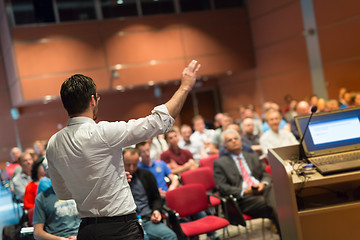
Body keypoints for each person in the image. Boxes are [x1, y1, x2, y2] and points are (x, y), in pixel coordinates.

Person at [46, 60, 200, 240]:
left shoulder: (53, 143)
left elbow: (63, 193)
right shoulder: (103, 132)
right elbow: (159, 122)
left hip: (87, 231)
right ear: (93, 100)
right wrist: (185, 87)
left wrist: (103, 183)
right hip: (120, 229)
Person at [213, 129, 281, 237]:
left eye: (236, 138)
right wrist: (244, 191)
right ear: (225, 146)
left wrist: (263, 184)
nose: (234, 141)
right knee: (281, 205)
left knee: (275, 195)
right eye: (230, 140)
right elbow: (221, 186)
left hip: (263, 189)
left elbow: (266, 174)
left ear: (241, 141)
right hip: (244, 199)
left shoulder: (252, 156)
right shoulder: (220, 163)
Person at [123, 148, 178, 240]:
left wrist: (156, 210)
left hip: (147, 219)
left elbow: (156, 198)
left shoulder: (147, 175)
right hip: (127, 224)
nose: (131, 168)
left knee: (170, 236)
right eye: (128, 165)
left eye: (135, 164)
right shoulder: (116, 180)